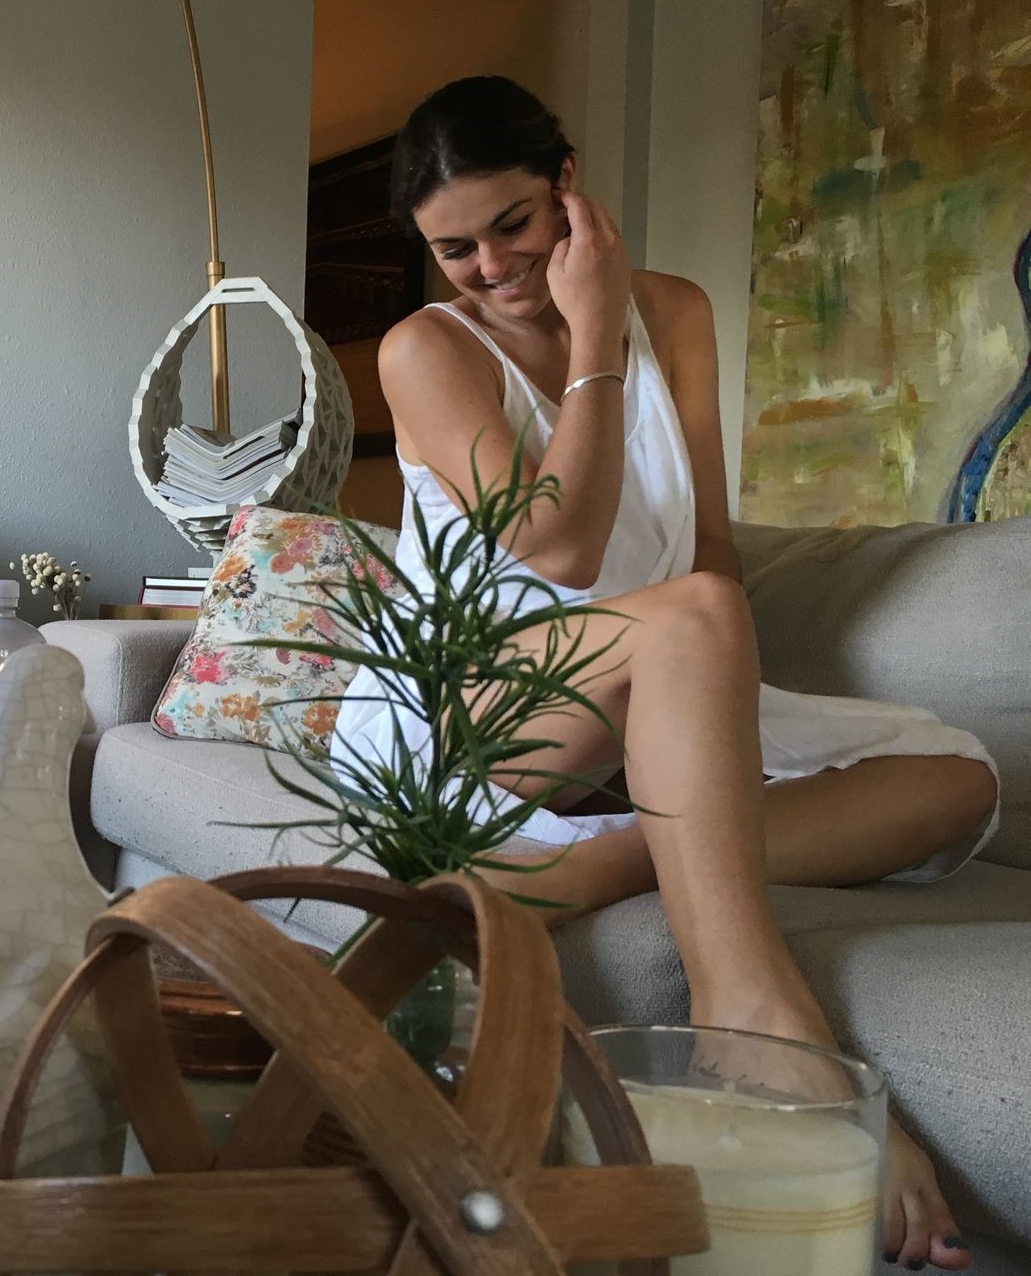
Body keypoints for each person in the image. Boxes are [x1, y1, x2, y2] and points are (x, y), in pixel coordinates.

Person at [336, 75, 998, 1271]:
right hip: (475, 711)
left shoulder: (678, 311)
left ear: (568, 185)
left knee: (959, 780)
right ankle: (747, 1006)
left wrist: (708, 719)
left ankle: (607, 860)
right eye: (454, 249)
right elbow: (563, 548)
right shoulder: (424, 349)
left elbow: (709, 546)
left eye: (513, 224)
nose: (491, 266)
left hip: (655, 678)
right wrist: (594, 332)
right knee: (692, 617)